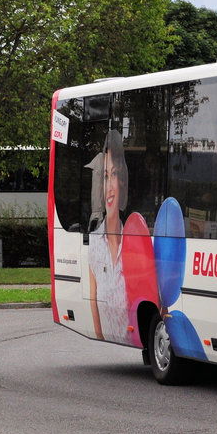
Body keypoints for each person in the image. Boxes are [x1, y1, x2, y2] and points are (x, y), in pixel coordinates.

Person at [87, 130, 130, 343]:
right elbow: (93, 300)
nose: (109, 186)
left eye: (114, 174)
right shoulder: (94, 242)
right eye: (105, 176)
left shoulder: (134, 241)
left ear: (121, 180)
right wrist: (100, 336)